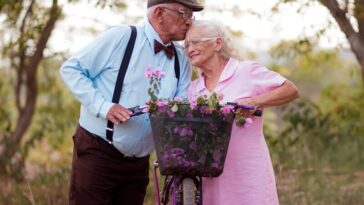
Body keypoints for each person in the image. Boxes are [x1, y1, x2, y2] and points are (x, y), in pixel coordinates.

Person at [59, 1, 203, 204]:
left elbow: (179, 109)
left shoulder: (181, 59)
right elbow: (71, 69)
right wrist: (104, 107)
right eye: (184, 13)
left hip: (139, 164)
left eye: (191, 16)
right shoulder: (122, 37)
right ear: (160, 13)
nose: (189, 21)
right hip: (98, 151)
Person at [185, 20, 299, 205]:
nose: (190, 49)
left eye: (196, 42)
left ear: (217, 43)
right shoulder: (193, 89)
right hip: (212, 177)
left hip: (248, 173)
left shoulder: (245, 71)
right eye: (187, 45)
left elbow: (290, 90)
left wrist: (255, 102)